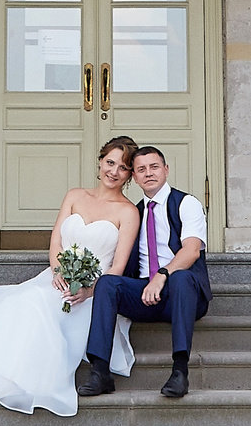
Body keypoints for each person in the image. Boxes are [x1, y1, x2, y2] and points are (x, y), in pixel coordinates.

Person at [0, 136, 140, 416]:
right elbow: (56, 242)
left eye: (123, 168)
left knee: (41, 310)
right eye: (110, 162)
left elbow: (117, 268)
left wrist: (88, 291)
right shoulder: (75, 196)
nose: (114, 171)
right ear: (99, 162)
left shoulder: (128, 212)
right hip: (56, 277)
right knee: (19, 302)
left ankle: (10, 379)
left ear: (129, 175)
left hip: (92, 294)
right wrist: (58, 270)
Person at [80, 144, 210, 399]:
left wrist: (161, 276)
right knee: (108, 283)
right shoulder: (134, 212)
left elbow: (192, 251)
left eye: (154, 167)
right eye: (141, 169)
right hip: (143, 293)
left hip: (180, 296)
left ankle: (179, 372)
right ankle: (100, 372)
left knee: (182, 277)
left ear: (166, 170)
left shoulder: (186, 203)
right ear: (134, 177)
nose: (148, 173)